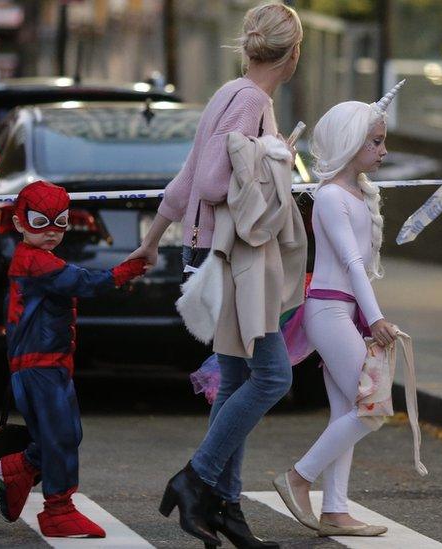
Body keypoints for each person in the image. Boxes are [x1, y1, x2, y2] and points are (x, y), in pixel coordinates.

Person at [128, 3, 304, 548]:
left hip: (210, 252)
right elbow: (208, 181)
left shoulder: (229, 93)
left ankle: (227, 511)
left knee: (233, 381)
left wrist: (152, 239)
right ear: (292, 53)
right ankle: (196, 479)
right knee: (273, 377)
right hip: (234, 261)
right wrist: (271, 157)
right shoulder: (251, 101)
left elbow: (184, 180)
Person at [271, 83, 406, 538]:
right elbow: (350, 264)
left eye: (383, 140)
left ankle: (335, 510)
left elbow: (360, 268)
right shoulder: (330, 197)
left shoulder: (356, 195)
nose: (384, 149)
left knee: (349, 408)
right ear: (351, 143)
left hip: (340, 312)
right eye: (376, 141)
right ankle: (298, 477)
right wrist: (377, 318)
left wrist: (368, 316)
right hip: (329, 312)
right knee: (373, 406)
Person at [0, 180, 148, 538]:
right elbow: (84, 283)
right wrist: (126, 270)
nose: (52, 232)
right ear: (20, 222)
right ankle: (58, 509)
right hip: (39, 367)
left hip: (49, 365)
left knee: (65, 434)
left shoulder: (39, 259)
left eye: (60, 222)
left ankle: (13, 471)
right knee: (60, 436)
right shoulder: (34, 262)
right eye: (41, 222)